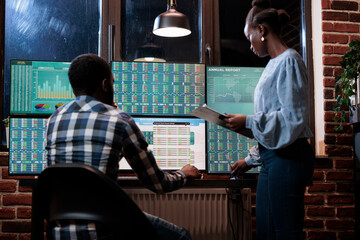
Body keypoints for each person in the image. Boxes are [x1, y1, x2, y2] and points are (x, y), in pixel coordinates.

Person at [45, 53, 201, 240]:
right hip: (105, 230)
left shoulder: (54, 119)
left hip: (60, 232)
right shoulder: (120, 120)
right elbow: (158, 184)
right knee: (182, 236)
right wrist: (184, 173)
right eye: (112, 82)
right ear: (104, 85)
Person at [224, 0, 315, 239]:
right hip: (272, 158)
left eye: (249, 36)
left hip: (288, 159)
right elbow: (275, 130)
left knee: (284, 233)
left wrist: (249, 121)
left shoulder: (290, 60)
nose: (250, 44)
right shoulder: (273, 64)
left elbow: (292, 119)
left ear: (262, 30)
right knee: (265, 231)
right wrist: (249, 160)